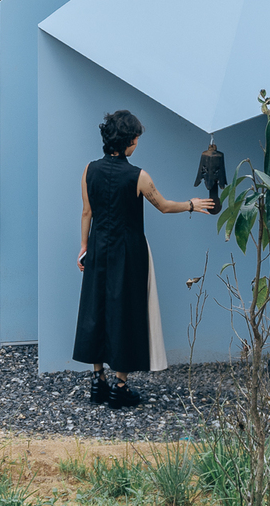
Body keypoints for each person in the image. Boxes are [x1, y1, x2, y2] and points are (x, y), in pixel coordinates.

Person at [74, 109, 215, 410]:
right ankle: (119, 387)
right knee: (125, 311)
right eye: (135, 138)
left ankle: (98, 381)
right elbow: (163, 206)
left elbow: (87, 212)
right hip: (129, 250)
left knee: (95, 307)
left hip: (98, 247)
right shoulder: (138, 177)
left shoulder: (89, 170)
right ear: (130, 141)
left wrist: (84, 246)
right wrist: (192, 204)